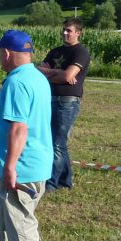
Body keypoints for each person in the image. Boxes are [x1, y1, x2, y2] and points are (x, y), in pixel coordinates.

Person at [0, 30, 53, 241]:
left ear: (7, 53)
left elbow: (19, 129)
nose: (0, 57)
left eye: (0, 52)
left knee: (21, 221)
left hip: (22, 165)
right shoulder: (35, 77)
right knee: (8, 221)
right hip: (33, 161)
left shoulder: (17, 82)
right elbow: (24, 112)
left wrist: (11, 166)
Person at [37, 17, 91, 192]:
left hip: (67, 103)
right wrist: (59, 73)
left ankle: (52, 183)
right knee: (55, 142)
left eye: (69, 30)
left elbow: (68, 76)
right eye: (64, 30)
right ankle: (65, 181)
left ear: (78, 33)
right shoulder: (55, 52)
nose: (65, 33)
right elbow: (39, 70)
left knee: (58, 143)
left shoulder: (81, 52)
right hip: (50, 100)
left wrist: (51, 73)